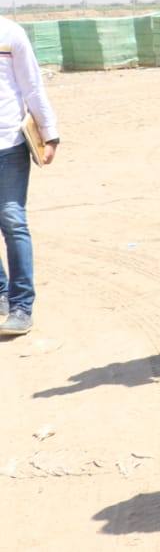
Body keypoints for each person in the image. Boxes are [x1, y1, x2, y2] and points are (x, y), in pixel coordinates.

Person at [0, 17, 58, 337]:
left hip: (8, 145)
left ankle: (21, 305)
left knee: (12, 219)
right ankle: (1, 293)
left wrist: (50, 134)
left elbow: (32, 87)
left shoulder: (11, 34)